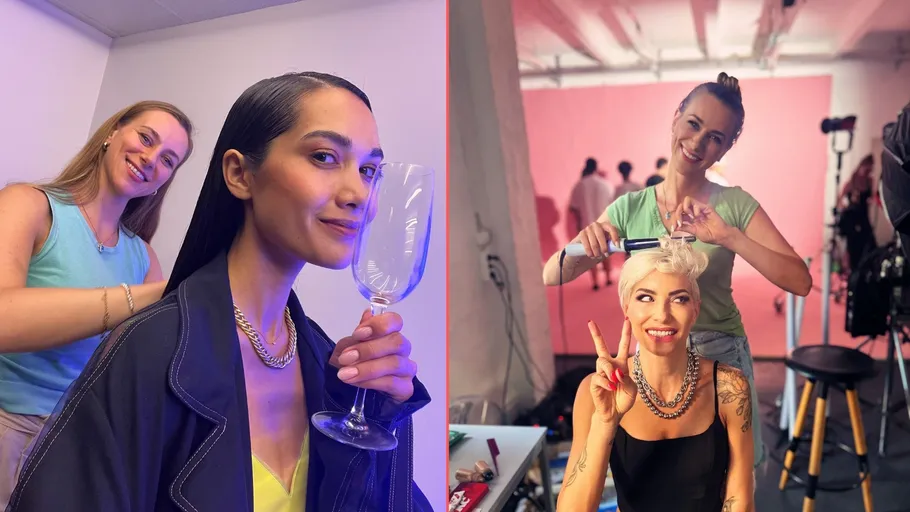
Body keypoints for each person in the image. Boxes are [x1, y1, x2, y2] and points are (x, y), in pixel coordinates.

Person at [7, 72, 432, 511]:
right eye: (324, 157)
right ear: (239, 174)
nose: (359, 193)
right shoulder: (150, 349)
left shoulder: (326, 364)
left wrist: (384, 411)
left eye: (369, 170)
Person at [543, 72, 812, 467]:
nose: (699, 143)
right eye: (694, 124)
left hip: (720, 355)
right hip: (654, 355)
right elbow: (554, 273)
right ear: (676, 118)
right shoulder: (628, 208)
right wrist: (589, 243)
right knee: (665, 477)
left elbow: (800, 280)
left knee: (730, 476)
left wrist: (729, 236)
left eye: (716, 137)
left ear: (725, 149)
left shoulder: (734, 204)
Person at [0, 101, 194, 507]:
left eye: (167, 160)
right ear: (112, 133)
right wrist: (154, 294)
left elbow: (155, 364)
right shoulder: (29, 205)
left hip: (74, 442)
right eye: (145, 138)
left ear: (165, 181)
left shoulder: (144, 259)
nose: (150, 158)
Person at [556, 239, 754, 512]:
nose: (662, 315)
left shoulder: (729, 387)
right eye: (646, 297)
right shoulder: (595, 391)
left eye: (679, 299)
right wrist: (605, 422)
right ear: (627, 307)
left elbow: (740, 501)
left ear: (695, 310)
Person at [569, 158, 615, 289]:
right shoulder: (605, 184)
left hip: (586, 225)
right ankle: (608, 278)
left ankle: (595, 282)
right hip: (605, 224)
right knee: (606, 251)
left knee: (590, 254)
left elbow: (574, 208)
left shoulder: (579, 185)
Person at [836, 154, 877, 273]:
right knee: (853, 247)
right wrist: (845, 206)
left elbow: (872, 197)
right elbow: (840, 199)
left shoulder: (869, 181)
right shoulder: (851, 182)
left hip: (864, 218)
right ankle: (852, 271)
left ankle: (865, 271)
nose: (867, 171)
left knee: (869, 244)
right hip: (852, 219)